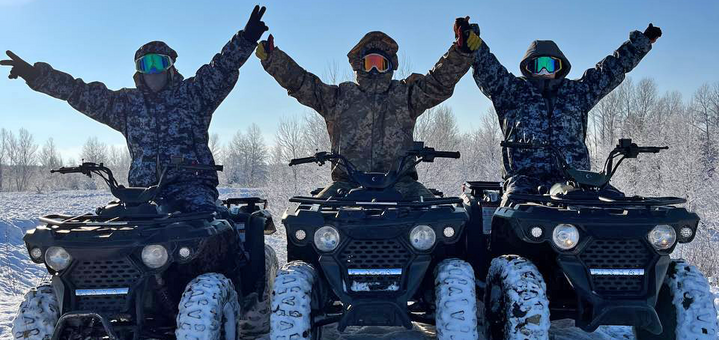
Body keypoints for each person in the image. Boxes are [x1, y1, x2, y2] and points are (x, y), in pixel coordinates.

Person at [1, 6, 270, 213]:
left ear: (170, 66)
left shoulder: (193, 95)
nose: (152, 71)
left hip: (191, 188)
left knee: (209, 228)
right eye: (145, 65)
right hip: (143, 193)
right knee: (109, 235)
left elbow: (221, 69)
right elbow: (78, 91)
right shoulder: (126, 105)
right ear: (138, 71)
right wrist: (35, 75)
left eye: (158, 63)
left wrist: (245, 40)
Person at [255, 18, 481, 200]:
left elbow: (438, 83)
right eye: (368, 63)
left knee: (440, 220)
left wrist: (460, 53)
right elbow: (304, 84)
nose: (374, 70)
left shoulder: (405, 95)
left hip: (402, 185)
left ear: (390, 67)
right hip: (346, 185)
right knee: (310, 223)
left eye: (380, 63)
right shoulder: (340, 97)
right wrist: (275, 60)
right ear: (358, 66)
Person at [469, 23, 662, 198]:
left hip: (574, 179)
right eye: (538, 65)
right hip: (524, 181)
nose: (544, 70)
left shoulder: (577, 92)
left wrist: (639, 44)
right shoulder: (511, 91)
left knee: (613, 202)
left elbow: (610, 70)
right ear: (528, 68)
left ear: (560, 67)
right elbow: (487, 68)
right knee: (513, 210)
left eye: (550, 64)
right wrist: (472, 41)